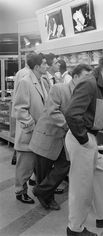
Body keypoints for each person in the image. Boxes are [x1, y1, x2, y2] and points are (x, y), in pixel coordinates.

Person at [65, 52, 103, 236]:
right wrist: (84, 139)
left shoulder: (100, 84)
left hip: (88, 138)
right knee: (81, 186)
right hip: (81, 139)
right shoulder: (89, 82)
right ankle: (75, 229)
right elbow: (72, 113)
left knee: (102, 175)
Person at [29, 64, 93, 210]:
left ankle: (41, 191)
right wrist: (70, 126)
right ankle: (47, 198)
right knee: (43, 172)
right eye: (85, 77)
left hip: (64, 140)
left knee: (64, 165)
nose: (88, 81)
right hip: (47, 136)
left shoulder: (83, 95)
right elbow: (52, 111)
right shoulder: (59, 88)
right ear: (75, 77)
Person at [13, 53, 49, 204]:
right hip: (29, 133)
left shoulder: (41, 81)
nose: (47, 66)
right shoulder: (25, 82)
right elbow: (20, 109)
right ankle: (20, 191)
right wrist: (32, 127)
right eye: (45, 64)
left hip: (39, 133)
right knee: (25, 165)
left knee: (33, 164)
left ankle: (35, 187)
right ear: (37, 67)